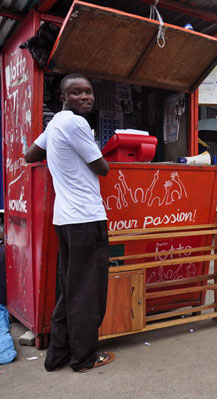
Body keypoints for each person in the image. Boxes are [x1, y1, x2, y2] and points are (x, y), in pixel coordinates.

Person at [24, 74, 114, 372]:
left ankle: (58, 355)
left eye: (88, 92)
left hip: (64, 220)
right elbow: (102, 168)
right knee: (88, 291)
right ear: (63, 97)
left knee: (69, 287)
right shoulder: (75, 124)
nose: (85, 97)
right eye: (76, 93)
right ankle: (85, 358)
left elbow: (30, 155)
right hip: (87, 219)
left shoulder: (56, 124)